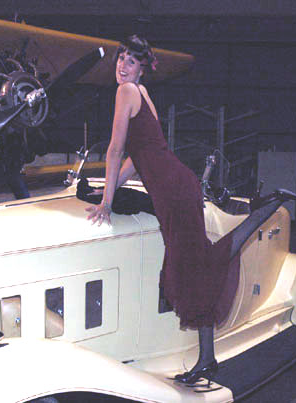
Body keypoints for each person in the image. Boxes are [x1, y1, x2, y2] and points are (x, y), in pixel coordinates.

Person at [86, 35, 238, 384]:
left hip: (173, 190)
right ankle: (207, 359)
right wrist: (109, 188)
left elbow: (115, 150)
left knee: (189, 270)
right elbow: (137, 158)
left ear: (141, 69)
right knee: (192, 267)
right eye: (120, 58)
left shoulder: (127, 92)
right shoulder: (143, 94)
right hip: (179, 186)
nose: (122, 66)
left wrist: (106, 202)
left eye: (131, 61)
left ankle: (259, 217)